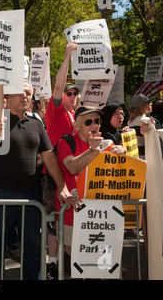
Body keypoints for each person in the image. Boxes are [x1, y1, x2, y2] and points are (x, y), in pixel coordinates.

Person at [0, 80, 70, 280]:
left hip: (30, 195)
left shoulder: (36, 123)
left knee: (33, 247)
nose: (25, 97)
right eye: (19, 93)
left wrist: (62, 186)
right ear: (9, 97)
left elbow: (48, 155)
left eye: (28, 94)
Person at [56, 106, 126, 271]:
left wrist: (123, 155)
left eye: (97, 121)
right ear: (77, 126)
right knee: (75, 259)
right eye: (88, 122)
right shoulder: (66, 142)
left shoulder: (108, 142)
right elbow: (72, 167)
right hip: (73, 211)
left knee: (98, 262)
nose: (94, 125)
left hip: (100, 214)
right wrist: (93, 151)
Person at [41, 42, 79, 279]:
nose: (73, 96)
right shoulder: (55, 111)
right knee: (53, 223)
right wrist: (67, 56)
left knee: (67, 221)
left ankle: (71, 263)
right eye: (69, 93)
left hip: (71, 177)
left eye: (76, 93)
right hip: (52, 177)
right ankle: (52, 264)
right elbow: (57, 86)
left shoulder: (76, 115)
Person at [127, 94, 153, 159]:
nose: (151, 104)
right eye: (148, 103)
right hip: (147, 159)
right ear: (142, 106)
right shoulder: (148, 121)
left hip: (134, 159)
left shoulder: (129, 123)